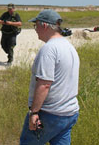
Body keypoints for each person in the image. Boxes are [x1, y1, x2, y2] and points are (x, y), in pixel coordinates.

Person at [20, 9, 80, 145]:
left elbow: (44, 84)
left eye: (36, 25)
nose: (35, 29)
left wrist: (34, 113)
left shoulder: (49, 49)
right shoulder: (69, 47)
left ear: (45, 25)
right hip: (70, 113)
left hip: (50, 114)